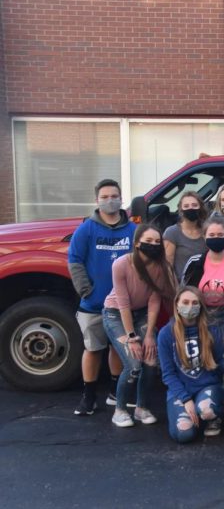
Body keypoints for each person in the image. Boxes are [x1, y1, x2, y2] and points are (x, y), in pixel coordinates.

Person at [68, 178, 136, 416]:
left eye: (114, 196)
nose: (110, 200)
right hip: (93, 303)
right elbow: (74, 260)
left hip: (121, 305)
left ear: (121, 199)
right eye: (105, 197)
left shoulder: (132, 231)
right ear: (97, 200)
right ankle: (88, 396)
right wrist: (87, 290)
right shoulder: (87, 229)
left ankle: (116, 392)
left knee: (117, 348)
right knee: (93, 348)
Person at [103, 224, 176, 428]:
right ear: (136, 243)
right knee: (133, 363)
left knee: (151, 360)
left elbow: (154, 301)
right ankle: (120, 410)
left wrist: (150, 335)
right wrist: (132, 337)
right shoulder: (121, 264)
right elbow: (123, 302)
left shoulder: (160, 267)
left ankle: (141, 407)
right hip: (116, 313)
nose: (153, 245)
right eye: (148, 241)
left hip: (143, 313)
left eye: (157, 242)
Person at [158, 287, 224, 443]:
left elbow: (222, 363)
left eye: (195, 303)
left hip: (208, 385)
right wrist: (186, 400)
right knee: (184, 434)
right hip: (181, 390)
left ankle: (211, 417)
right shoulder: (166, 333)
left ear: (201, 306)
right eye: (185, 302)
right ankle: (191, 414)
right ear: (176, 304)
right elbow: (168, 374)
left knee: (206, 411)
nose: (190, 307)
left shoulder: (212, 329)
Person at [164, 192, 208, 278]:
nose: (190, 208)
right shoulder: (172, 233)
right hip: (182, 286)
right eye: (186, 206)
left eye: (194, 205)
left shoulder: (207, 231)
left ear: (200, 208)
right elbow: (167, 267)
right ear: (181, 210)